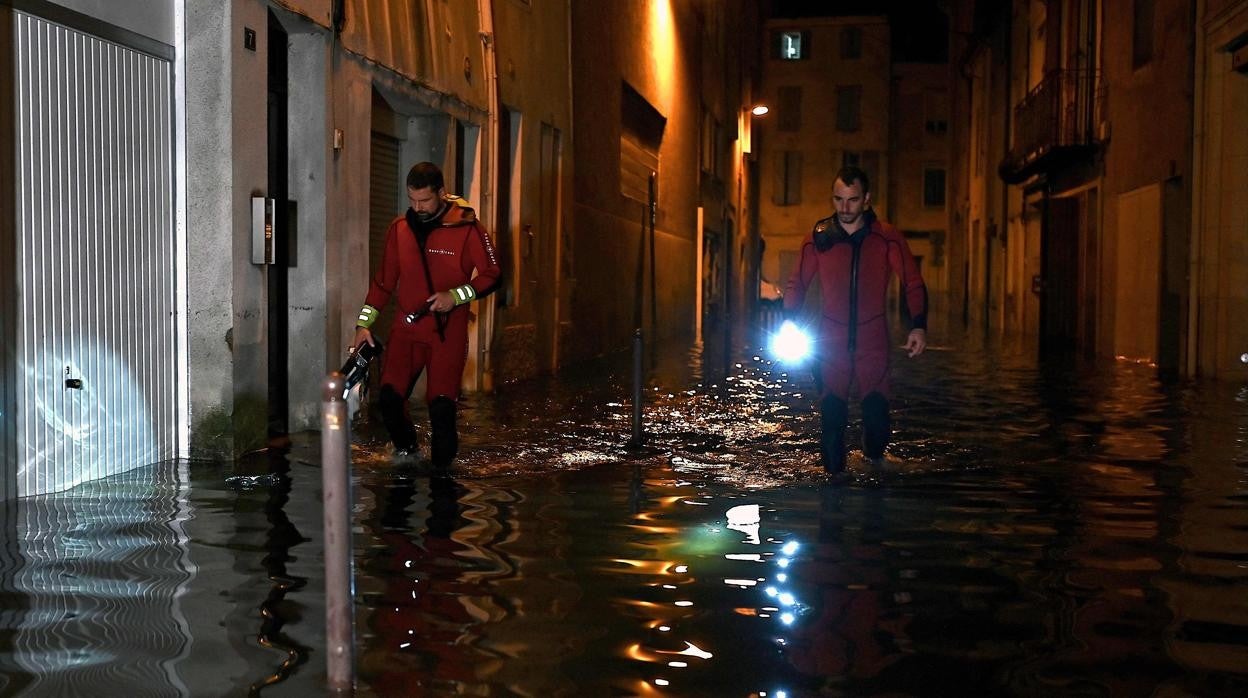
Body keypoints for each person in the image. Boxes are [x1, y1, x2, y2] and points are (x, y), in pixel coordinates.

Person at [352, 162, 501, 467]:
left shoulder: (468, 229)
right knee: (390, 401)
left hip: (447, 332)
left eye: (425, 200)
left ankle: (443, 486)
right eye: (412, 200)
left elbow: (493, 274)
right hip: (406, 331)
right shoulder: (399, 230)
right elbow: (382, 284)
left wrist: (456, 296)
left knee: (441, 409)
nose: (417, 207)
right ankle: (408, 455)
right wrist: (363, 324)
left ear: (442, 194)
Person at [784, 166, 927, 474]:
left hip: (872, 347)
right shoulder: (818, 239)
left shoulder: (887, 238)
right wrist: (789, 321)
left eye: (851, 200)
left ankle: (872, 466)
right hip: (830, 347)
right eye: (838, 200)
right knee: (832, 427)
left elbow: (912, 282)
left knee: (877, 429)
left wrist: (918, 324)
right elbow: (797, 283)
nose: (844, 208)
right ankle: (833, 506)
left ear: (866, 199)